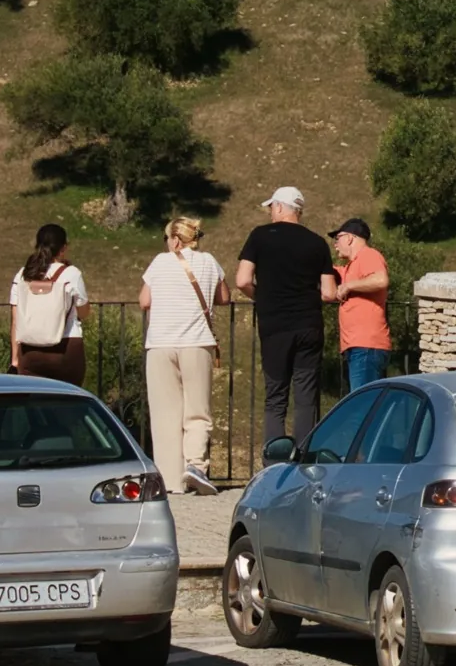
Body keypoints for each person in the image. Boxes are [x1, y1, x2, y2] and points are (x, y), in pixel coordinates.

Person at [234, 184, 337, 448]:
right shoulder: (317, 243)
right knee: (305, 396)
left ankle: (275, 457)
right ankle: (304, 455)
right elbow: (328, 293)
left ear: (280, 207)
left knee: (276, 395)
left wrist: (263, 296)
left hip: (275, 326)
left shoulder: (259, 236)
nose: (270, 212)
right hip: (309, 325)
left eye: (271, 207)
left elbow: (243, 280)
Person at [139, 216, 222, 494]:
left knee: (165, 414)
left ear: (174, 240)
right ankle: (196, 465)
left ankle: (170, 480)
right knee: (197, 410)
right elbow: (222, 295)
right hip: (196, 342)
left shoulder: (160, 263)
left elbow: (144, 300)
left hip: (161, 343)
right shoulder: (209, 262)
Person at [9, 225, 88, 388]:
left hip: (30, 350)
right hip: (66, 347)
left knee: (34, 407)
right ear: (63, 248)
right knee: (67, 403)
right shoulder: (71, 273)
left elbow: (16, 320)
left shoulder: (24, 274)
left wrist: (15, 358)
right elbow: (84, 311)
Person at [331, 216, 392, 389]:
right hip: (361, 347)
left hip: (366, 346)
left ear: (350, 238)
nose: (335, 244)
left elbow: (381, 280)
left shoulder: (368, 255)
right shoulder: (351, 267)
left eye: (338, 238)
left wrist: (349, 286)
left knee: (364, 409)